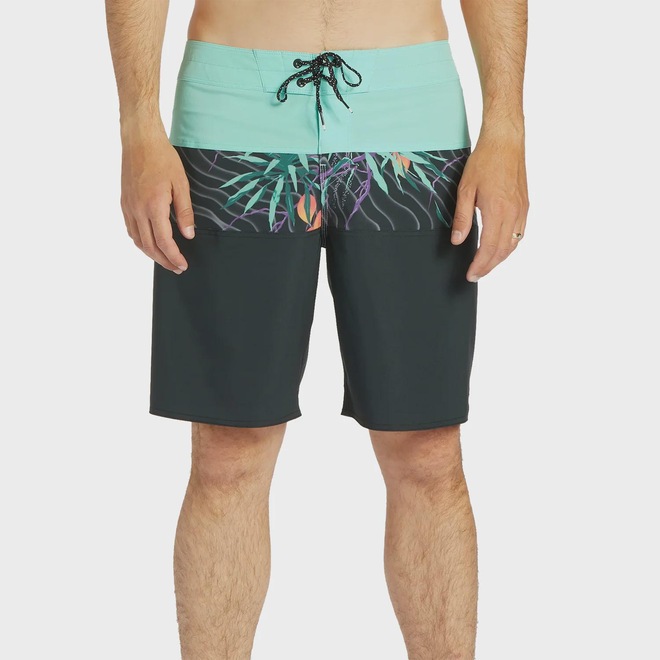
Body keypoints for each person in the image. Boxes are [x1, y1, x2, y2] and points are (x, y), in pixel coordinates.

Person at [105, 0, 528, 655]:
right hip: (230, 116)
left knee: (427, 450)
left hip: (411, 117)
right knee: (228, 451)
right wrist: (137, 125)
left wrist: (507, 125)